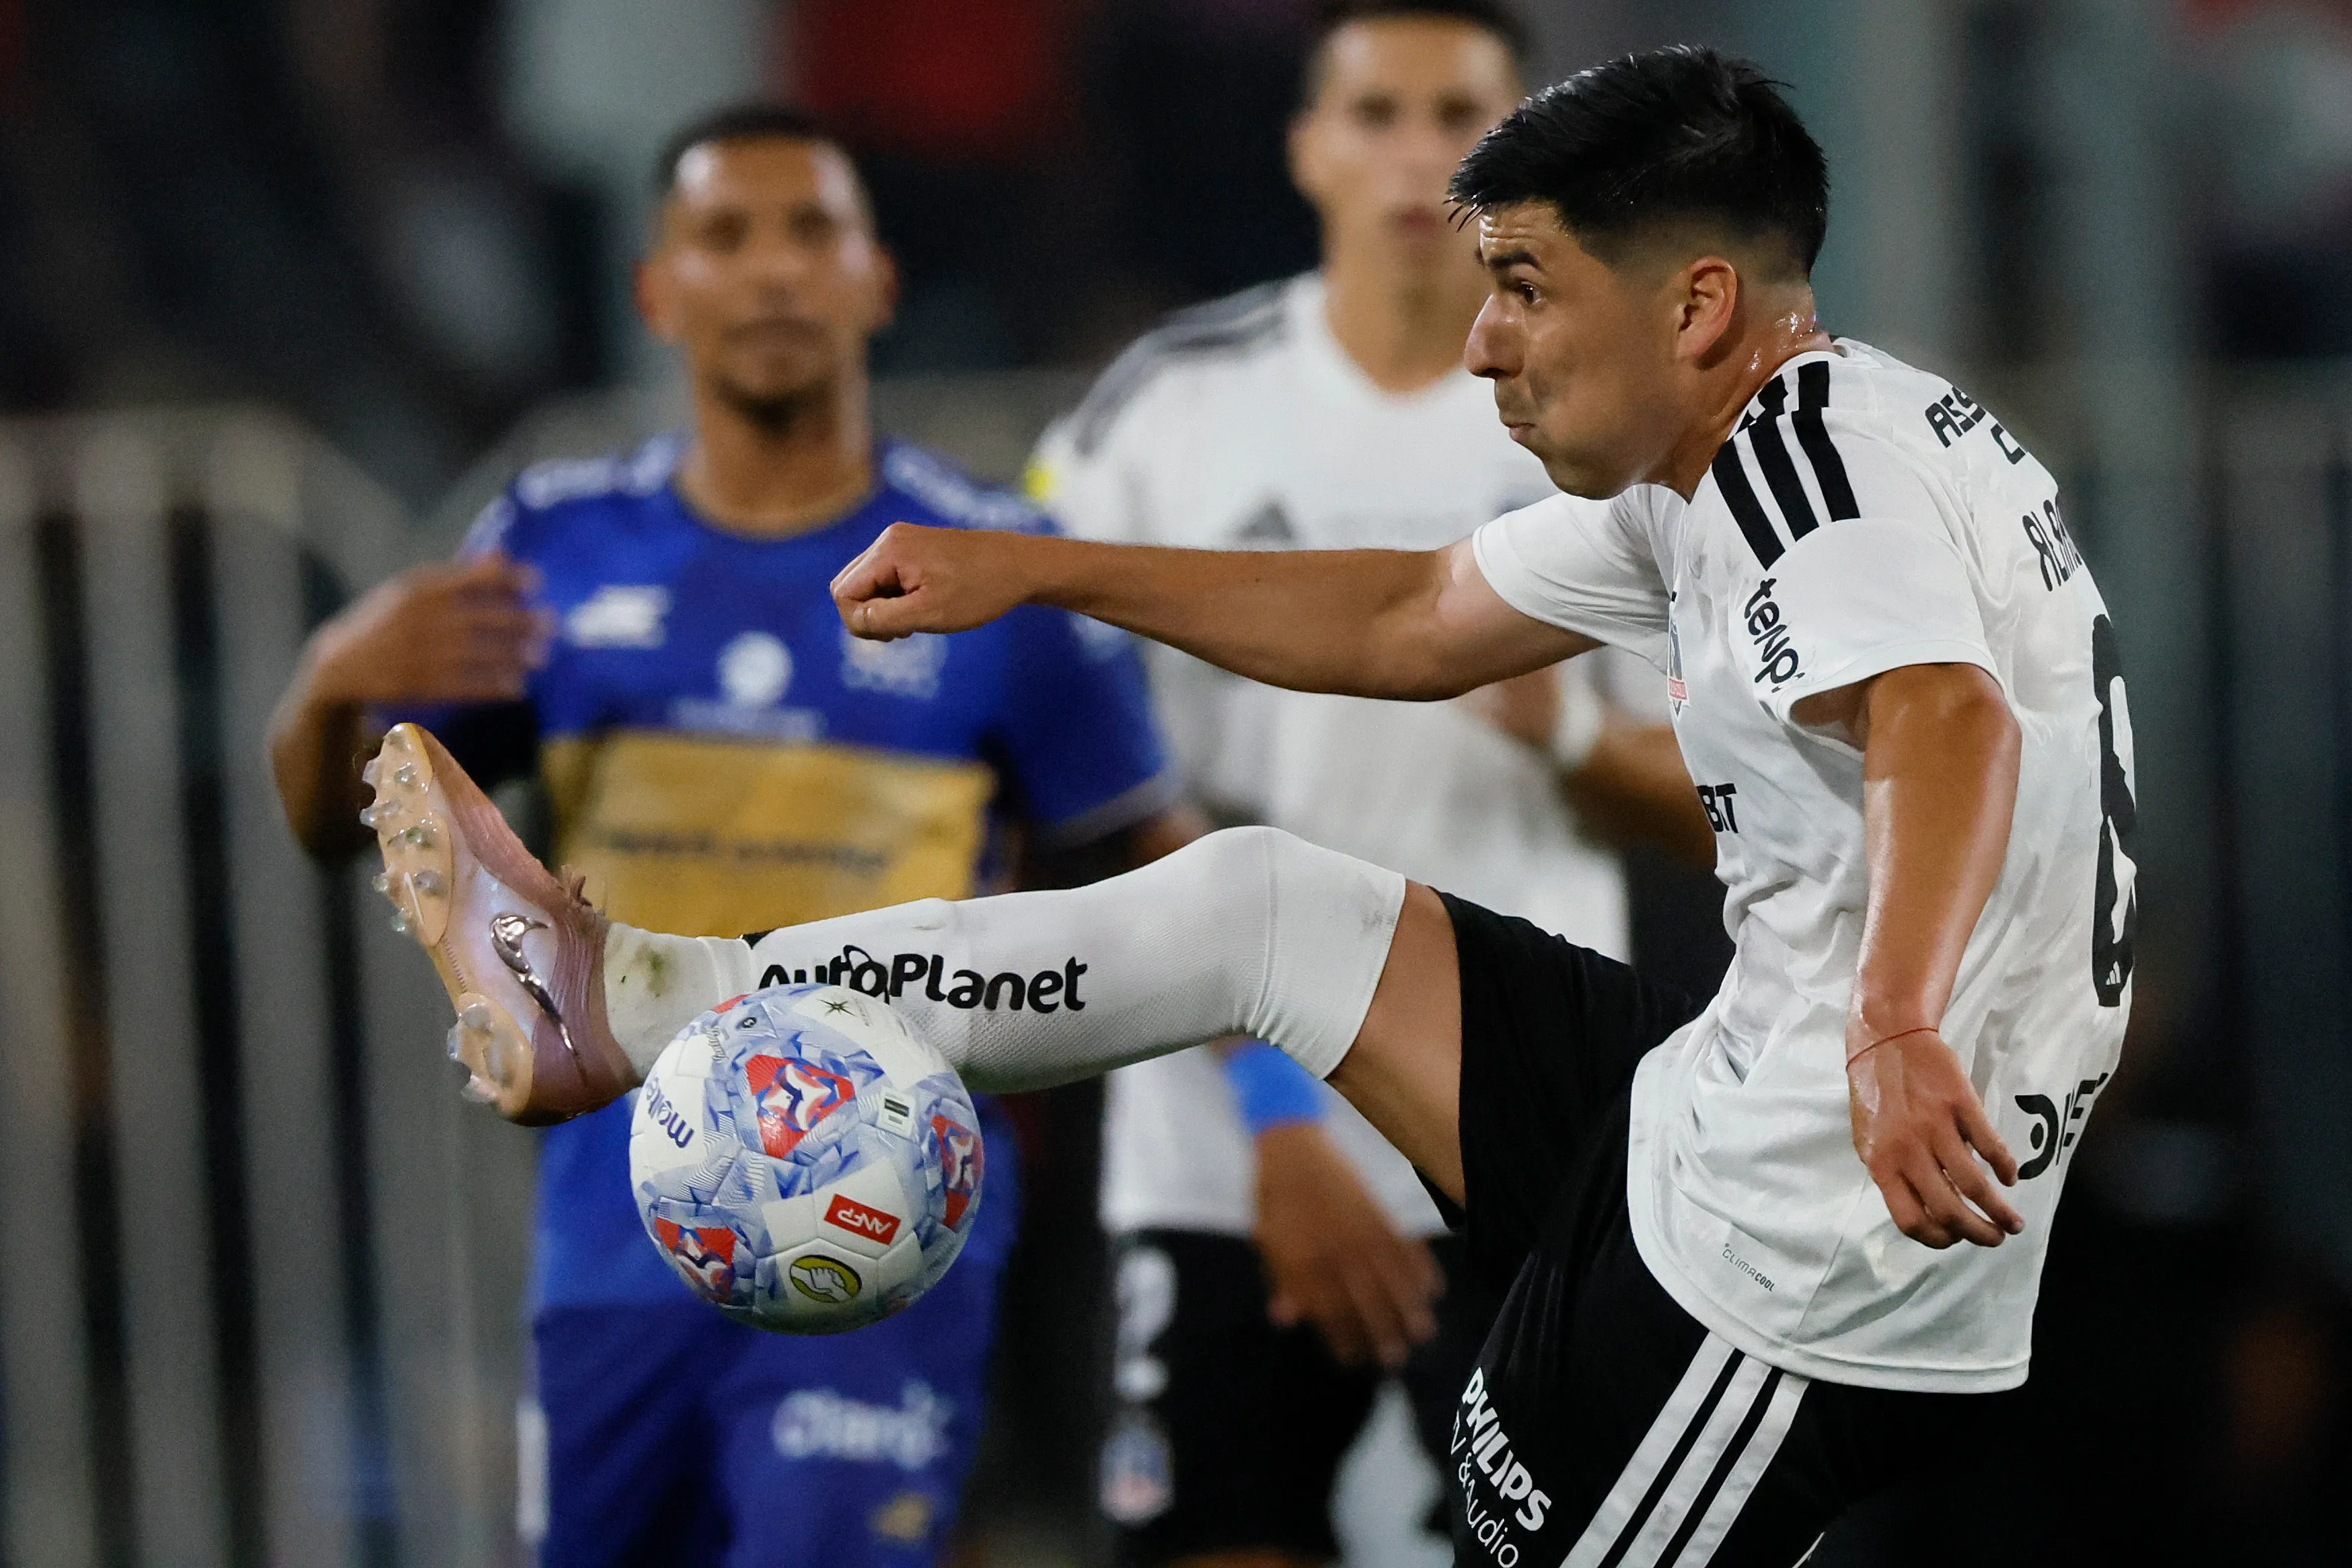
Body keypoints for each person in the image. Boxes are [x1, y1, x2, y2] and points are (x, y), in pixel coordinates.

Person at [357, 47, 2135, 1566]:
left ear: (1692, 306)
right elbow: (1411, 616)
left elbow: (1943, 716)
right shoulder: (1770, 440)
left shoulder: (1793, 469)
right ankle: (639, 994)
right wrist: (1036, 566)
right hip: (1736, 1103)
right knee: (1264, 912)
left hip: (1803, 1258)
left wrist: (1900, 1023)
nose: (1485, 348)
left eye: (1526, 286)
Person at [266, 106, 1198, 1568]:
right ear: (659, 291)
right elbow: (343, 825)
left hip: (886, 1212)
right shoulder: (552, 547)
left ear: (876, 279)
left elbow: (1164, 865)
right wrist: (327, 682)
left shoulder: (978, 568)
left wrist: (1269, 1134)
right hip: (615, 1220)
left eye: (809, 232)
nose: (770, 270)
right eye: (724, 235)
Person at [1025, 3, 1710, 1561]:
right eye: (1379, 111)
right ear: (1305, 147)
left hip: (1522, 1135)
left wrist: (1563, 739)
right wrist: (1275, 1119)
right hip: (1222, 1147)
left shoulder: (1613, 419)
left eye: (1459, 111)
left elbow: (1720, 807)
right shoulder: (1162, 413)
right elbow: (1104, 798)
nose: (1422, 155)